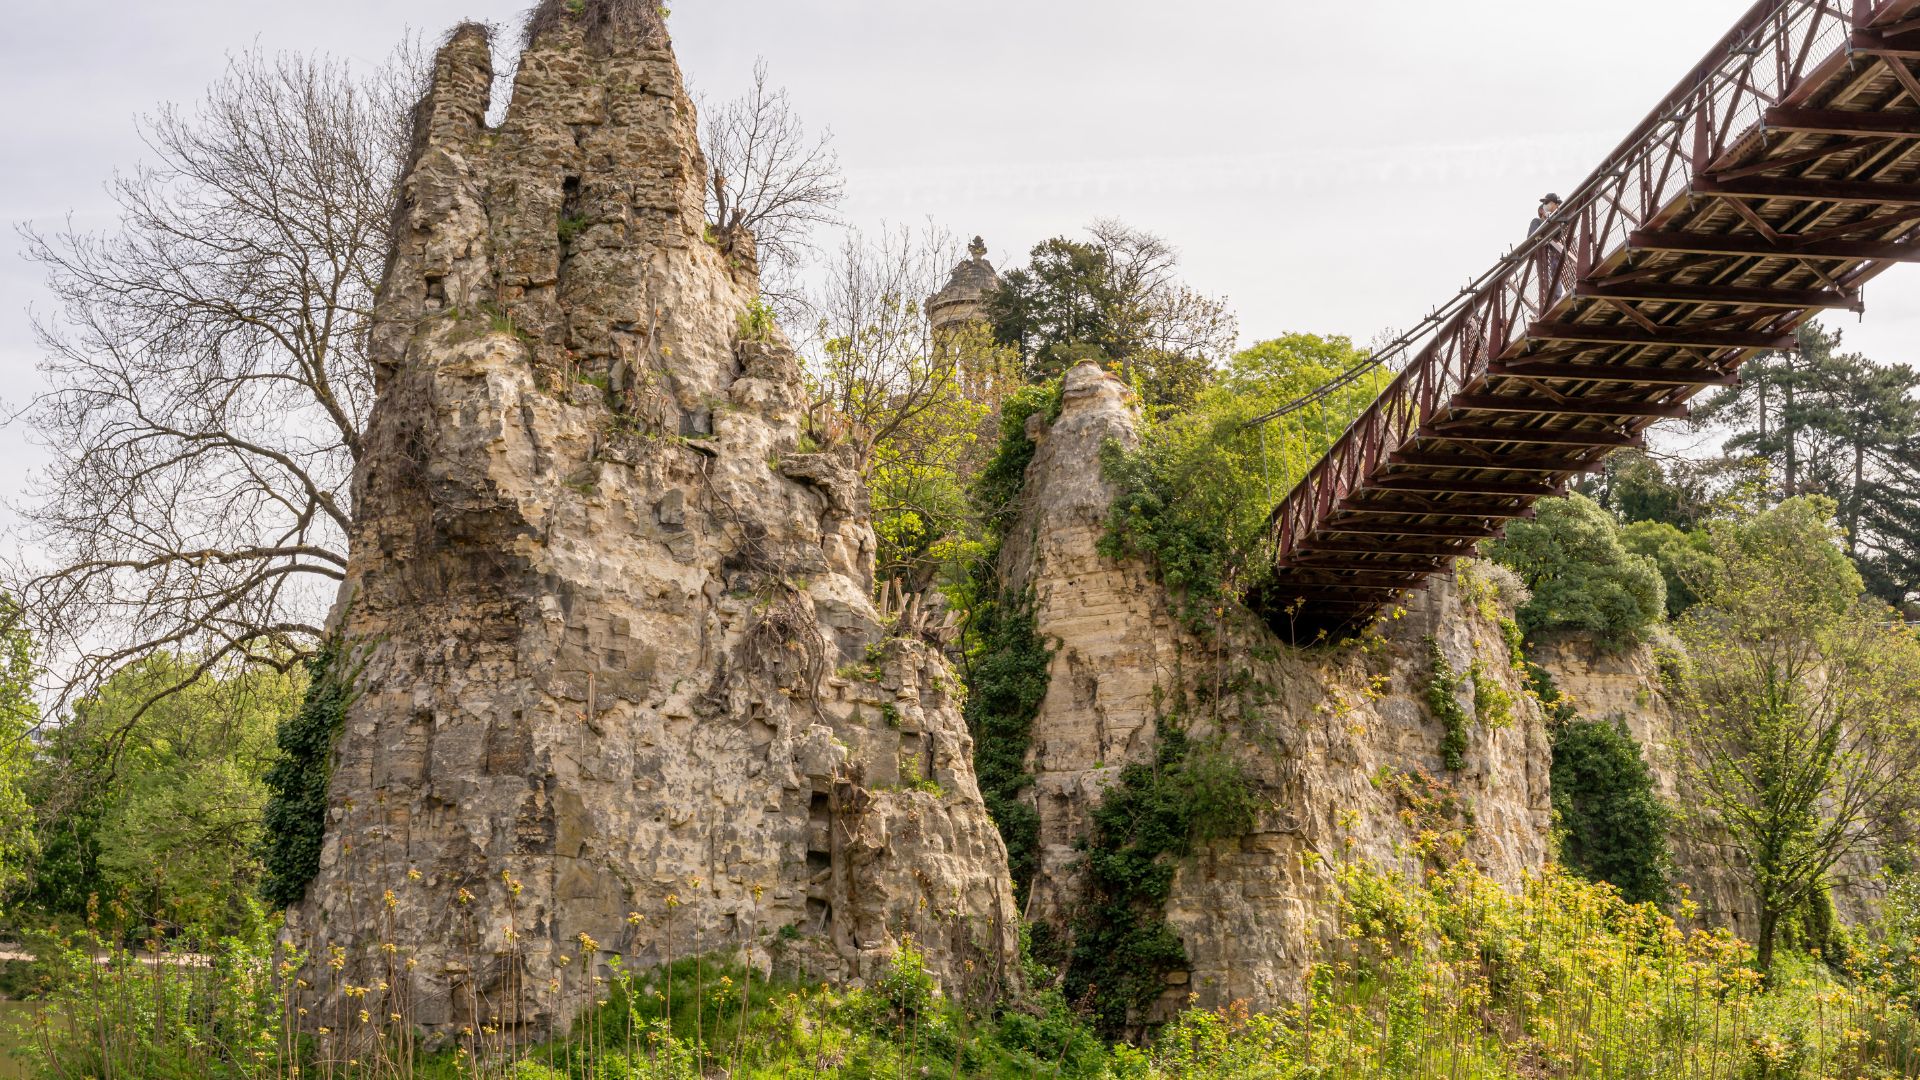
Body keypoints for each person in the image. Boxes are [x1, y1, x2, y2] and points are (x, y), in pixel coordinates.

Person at [1529, 193, 1568, 307]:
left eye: (1547, 203)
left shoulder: (1554, 218)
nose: (1545, 206)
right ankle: (1551, 301)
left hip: (1554, 252)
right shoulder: (1537, 221)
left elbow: (1558, 235)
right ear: (1540, 211)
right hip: (1544, 254)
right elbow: (1532, 237)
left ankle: (1556, 299)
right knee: (1547, 278)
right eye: (1543, 205)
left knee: (1556, 275)